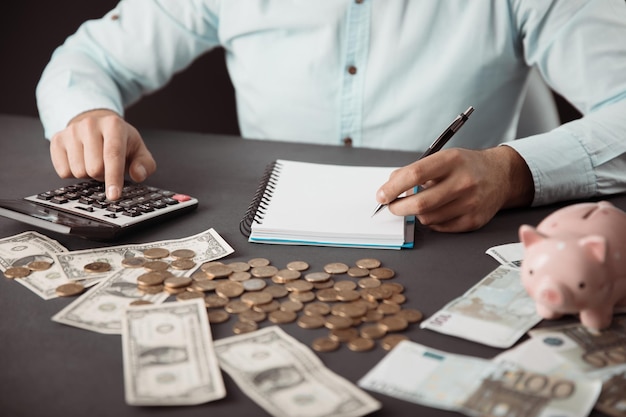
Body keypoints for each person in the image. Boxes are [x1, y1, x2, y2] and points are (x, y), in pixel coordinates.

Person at [36, 1, 626, 233]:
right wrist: (85, 112)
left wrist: (512, 170)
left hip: (459, 229)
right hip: (257, 231)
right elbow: (91, 56)